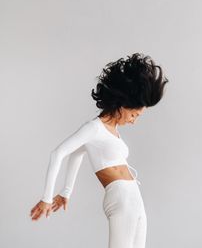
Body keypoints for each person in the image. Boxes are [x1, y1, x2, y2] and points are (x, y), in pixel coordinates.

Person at [29, 52, 169, 248]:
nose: (134, 121)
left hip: (134, 200)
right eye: (133, 115)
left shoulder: (111, 130)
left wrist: (66, 192)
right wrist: (46, 198)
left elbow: (78, 153)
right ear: (121, 106)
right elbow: (58, 153)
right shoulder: (94, 128)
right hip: (121, 199)